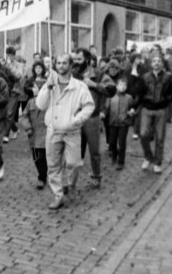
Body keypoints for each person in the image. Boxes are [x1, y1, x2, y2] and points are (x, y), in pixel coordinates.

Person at [35, 54, 94, 210]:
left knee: (74, 163)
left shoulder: (79, 86)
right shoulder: (50, 83)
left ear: (70, 65)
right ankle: (58, 195)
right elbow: (40, 105)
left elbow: (89, 106)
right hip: (53, 130)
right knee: (53, 165)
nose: (61, 66)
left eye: (64, 63)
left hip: (72, 131)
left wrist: (76, 120)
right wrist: (47, 88)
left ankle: (70, 184)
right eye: (58, 63)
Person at [71, 47, 116, 189]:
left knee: (94, 150)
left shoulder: (98, 73)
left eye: (79, 59)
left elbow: (111, 90)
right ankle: (71, 180)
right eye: (75, 59)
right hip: (75, 116)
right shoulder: (72, 73)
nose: (76, 62)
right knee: (73, 150)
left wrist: (94, 85)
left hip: (92, 117)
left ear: (87, 59)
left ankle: (96, 176)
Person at [134, 54, 172, 174]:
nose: (156, 63)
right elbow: (139, 93)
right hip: (146, 109)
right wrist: (135, 107)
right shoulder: (145, 77)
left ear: (163, 64)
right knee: (143, 134)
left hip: (161, 110)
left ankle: (157, 162)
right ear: (151, 63)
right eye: (154, 61)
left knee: (160, 137)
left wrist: (165, 100)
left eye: (159, 61)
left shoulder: (168, 77)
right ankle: (148, 157)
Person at [19, 75, 48, 190]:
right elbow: (24, 116)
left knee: (47, 156)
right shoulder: (31, 102)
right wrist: (28, 127)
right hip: (34, 135)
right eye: (36, 87)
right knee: (37, 157)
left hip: (47, 134)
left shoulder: (50, 101)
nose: (38, 90)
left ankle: (43, 176)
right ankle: (42, 175)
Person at [103, 79, 135, 170]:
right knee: (112, 142)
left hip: (123, 123)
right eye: (121, 84)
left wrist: (132, 111)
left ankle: (121, 161)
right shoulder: (111, 97)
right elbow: (106, 108)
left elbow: (132, 107)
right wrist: (103, 114)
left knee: (122, 143)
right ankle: (114, 154)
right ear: (117, 86)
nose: (123, 86)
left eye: (125, 85)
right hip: (113, 123)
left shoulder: (129, 97)